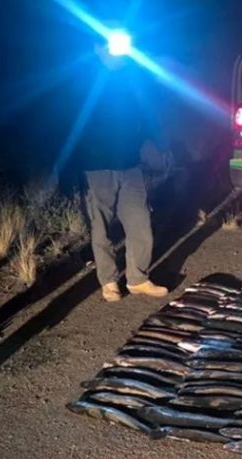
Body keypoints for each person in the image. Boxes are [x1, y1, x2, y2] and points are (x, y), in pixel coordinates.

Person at [77, 32, 170, 302]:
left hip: (130, 163)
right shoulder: (85, 79)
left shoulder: (132, 77)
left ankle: (138, 279)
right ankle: (108, 281)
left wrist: (160, 144)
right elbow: (70, 123)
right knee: (101, 227)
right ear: (97, 47)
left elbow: (146, 111)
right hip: (96, 166)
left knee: (140, 220)